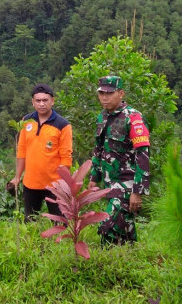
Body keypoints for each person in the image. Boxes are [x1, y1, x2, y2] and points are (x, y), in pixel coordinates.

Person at [88, 75, 150, 245]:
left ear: (121, 93)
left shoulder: (133, 117)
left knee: (107, 225)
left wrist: (138, 191)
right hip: (110, 183)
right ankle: (130, 260)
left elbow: (143, 155)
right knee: (124, 226)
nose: (104, 97)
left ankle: (105, 261)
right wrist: (94, 178)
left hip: (126, 185)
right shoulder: (102, 117)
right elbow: (99, 149)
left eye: (109, 93)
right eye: (101, 93)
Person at [8, 83, 73, 221]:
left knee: (59, 223)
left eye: (45, 100)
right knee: (30, 221)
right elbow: (22, 151)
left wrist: (64, 183)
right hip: (31, 183)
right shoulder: (26, 121)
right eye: (38, 100)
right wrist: (17, 176)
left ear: (52, 101)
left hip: (54, 185)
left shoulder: (63, 125)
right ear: (33, 102)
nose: (41, 104)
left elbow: (66, 157)